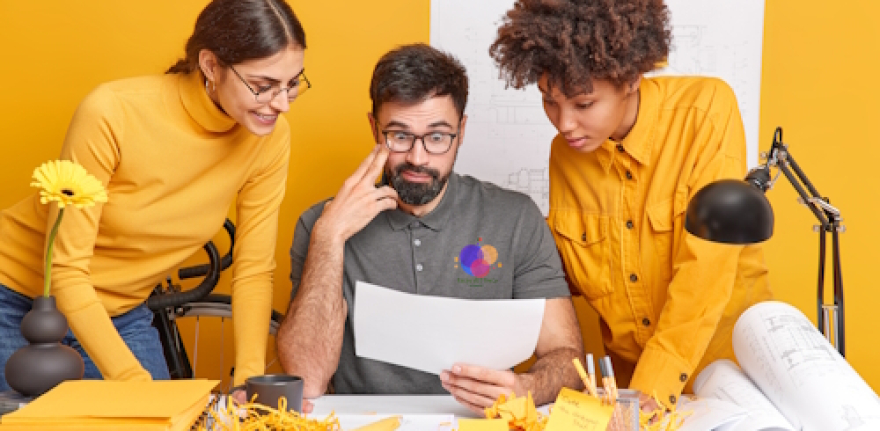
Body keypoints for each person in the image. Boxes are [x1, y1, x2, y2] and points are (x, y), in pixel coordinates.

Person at [0, 0, 307, 401]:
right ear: (211, 66)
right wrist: (134, 385)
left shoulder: (269, 138)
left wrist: (250, 380)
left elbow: (253, 269)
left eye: (293, 84)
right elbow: (68, 270)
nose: (281, 103)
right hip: (19, 299)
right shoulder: (113, 113)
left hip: (120, 311)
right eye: (263, 86)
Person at [489, 0, 773, 412]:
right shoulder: (566, 155)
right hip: (625, 392)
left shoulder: (706, 112)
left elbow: (704, 275)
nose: (563, 123)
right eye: (549, 101)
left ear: (631, 80)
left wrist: (650, 393)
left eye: (583, 104)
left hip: (726, 382)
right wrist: (477, 265)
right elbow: (559, 272)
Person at [276, 43, 584, 414]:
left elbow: (568, 359)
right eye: (399, 136)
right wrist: (329, 238)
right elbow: (306, 377)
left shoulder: (515, 218)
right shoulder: (321, 224)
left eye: (437, 137)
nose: (418, 158)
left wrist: (527, 387)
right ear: (374, 128)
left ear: (462, 131)